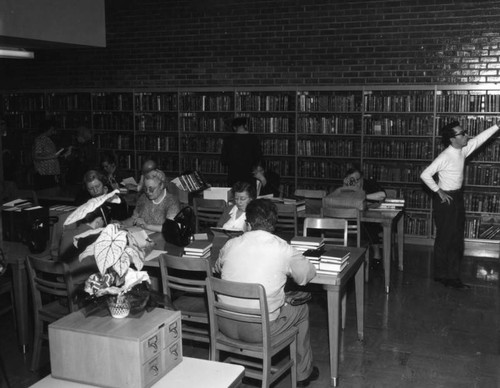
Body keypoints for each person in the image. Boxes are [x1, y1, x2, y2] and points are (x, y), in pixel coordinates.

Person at [214, 198, 319, 386]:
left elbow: (217, 268)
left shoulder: (230, 245)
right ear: (273, 223)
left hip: (225, 325)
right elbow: (305, 277)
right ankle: (303, 373)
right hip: (259, 332)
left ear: (248, 222)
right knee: (302, 308)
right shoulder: (283, 248)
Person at [420, 121, 499, 289]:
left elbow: (480, 139)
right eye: (461, 134)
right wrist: (438, 191)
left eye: (464, 132)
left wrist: (497, 126)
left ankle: (447, 275)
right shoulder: (445, 156)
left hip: (456, 198)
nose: (466, 135)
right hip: (445, 200)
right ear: (452, 139)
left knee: (455, 239)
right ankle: (446, 277)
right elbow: (425, 174)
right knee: (446, 238)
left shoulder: (462, 149)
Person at [343, 167, 386, 260]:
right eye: (351, 180)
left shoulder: (369, 184)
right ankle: (356, 255)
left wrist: (362, 196)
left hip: (372, 216)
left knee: (369, 225)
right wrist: (345, 187)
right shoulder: (348, 185)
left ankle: (376, 255)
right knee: (353, 224)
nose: (355, 183)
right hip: (354, 216)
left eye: (357, 180)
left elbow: (382, 195)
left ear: (362, 179)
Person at [122, 169, 181, 233]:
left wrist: (147, 226)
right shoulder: (143, 198)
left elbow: (170, 227)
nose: (147, 192)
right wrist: (121, 223)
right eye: (145, 188)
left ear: (161, 185)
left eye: (151, 189)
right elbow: (133, 219)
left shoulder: (171, 201)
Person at [221, 117, 262, 187]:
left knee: (234, 196)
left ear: (234, 127)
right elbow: (259, 158)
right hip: (249, 176)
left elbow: (224, 161)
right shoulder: (254, 139)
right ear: (245, 126)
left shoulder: (228, 140)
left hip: (233, 176)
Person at [32, 119, 71, 189]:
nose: (53, 131)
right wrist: (52, 156)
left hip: (50, 172)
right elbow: (36, 156)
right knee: (47, 194)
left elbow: (50, 155)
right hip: (43, 173)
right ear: (47, 129)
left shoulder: (48, 140)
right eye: (52, 129)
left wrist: (63, 154)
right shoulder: (40, 140)